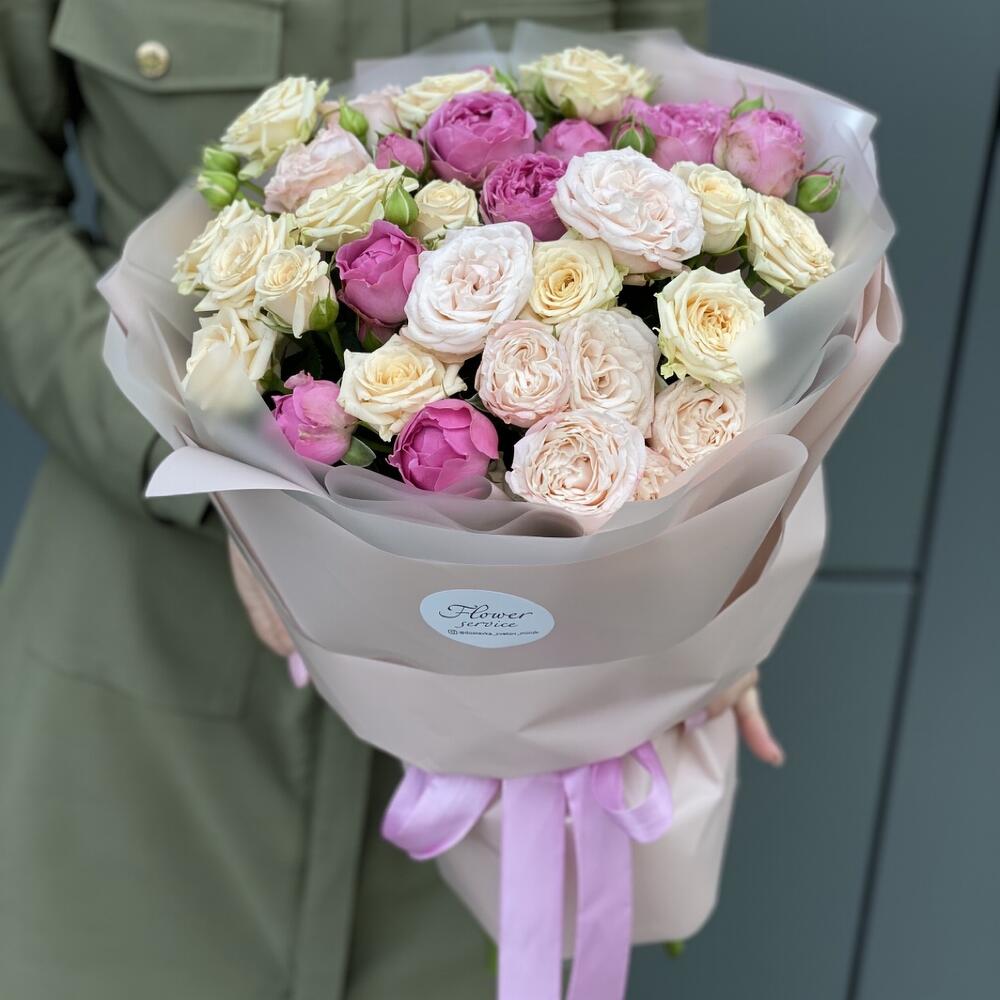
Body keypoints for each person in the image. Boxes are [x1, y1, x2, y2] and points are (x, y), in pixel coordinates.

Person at [0, 2, 780, 997]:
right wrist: (206, 470)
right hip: (153, 683)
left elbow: (700, 193)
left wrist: (714, 573)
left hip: (511, 738)